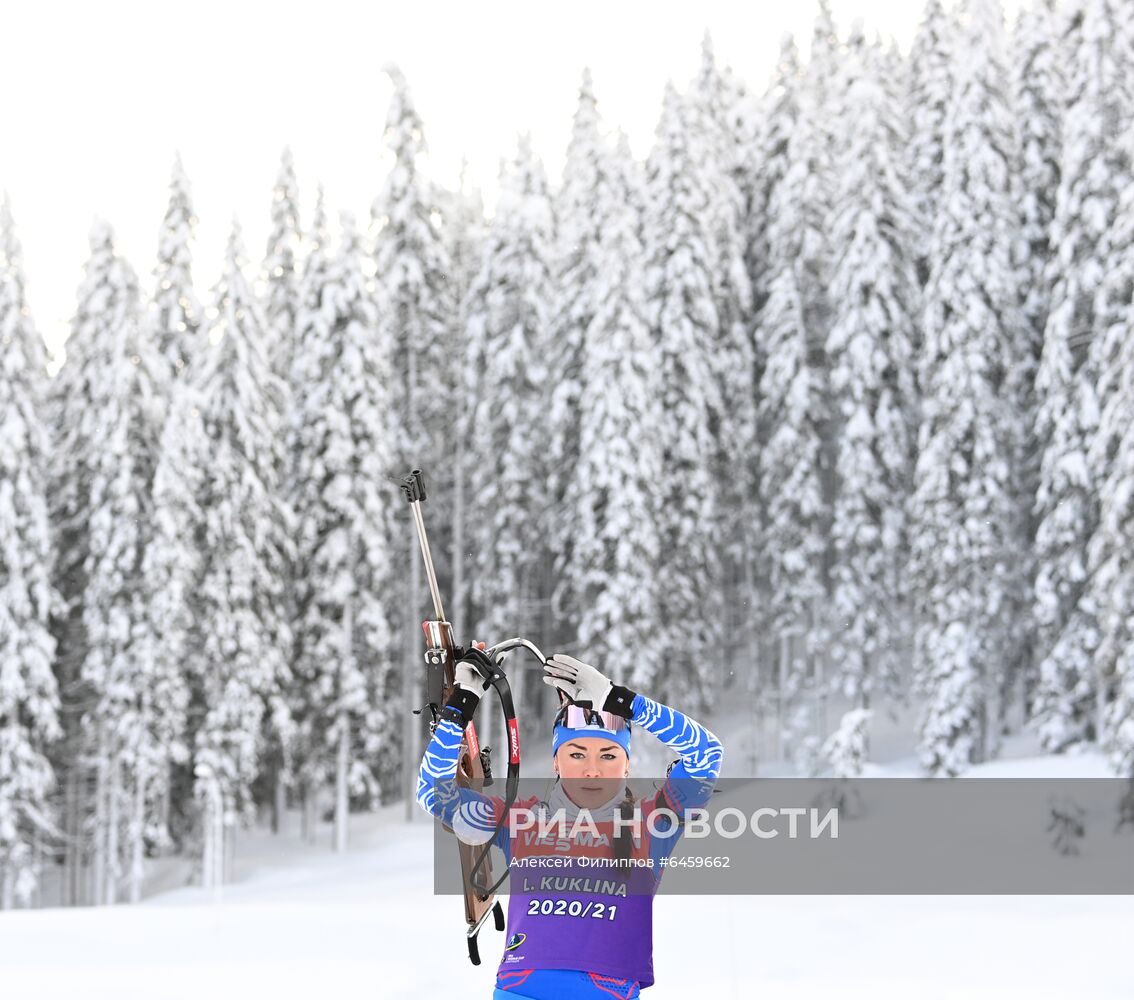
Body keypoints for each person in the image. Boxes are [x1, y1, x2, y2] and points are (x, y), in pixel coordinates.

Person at [416, 650, 724, 998]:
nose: (592, 769)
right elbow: (432, 793)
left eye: (608, 756)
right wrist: (461, 705)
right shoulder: (522, 821)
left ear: (626, 766)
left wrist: (618, 700)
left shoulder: (652, 824)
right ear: (556, 763)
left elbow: (707, 753)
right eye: (576, 754)